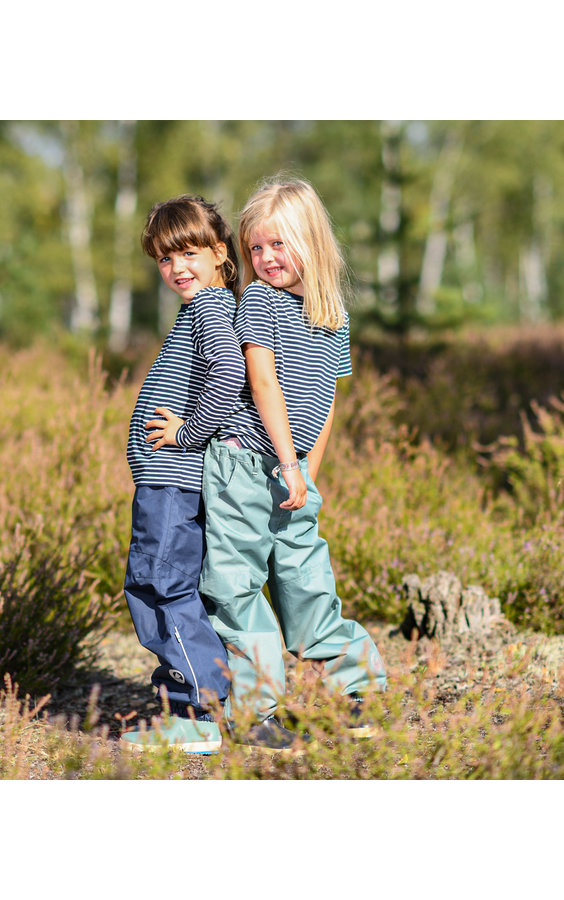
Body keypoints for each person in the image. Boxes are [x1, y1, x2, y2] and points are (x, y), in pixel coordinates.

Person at [198, 177, 387, 750]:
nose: (265, 258)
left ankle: (362, 688)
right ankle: (258, 710)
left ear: (312, 241)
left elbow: (327, 399)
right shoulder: (259, 300)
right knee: (238, 588)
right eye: (256, 248)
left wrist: (310, 468)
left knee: (307, 583)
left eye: (278, 244)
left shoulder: (334, 315)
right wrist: (289, 461)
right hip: (243, 468)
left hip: (292, 474)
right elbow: (262, 381)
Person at [121, 195, 245, 755]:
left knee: (158, 585)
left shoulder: (210, 309)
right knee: (166, 587)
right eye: (165, 260)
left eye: (189, 253)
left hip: (173, 481)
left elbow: (229, 370)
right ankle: (183, 706)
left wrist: (187, 432)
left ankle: (201, 714)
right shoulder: (202, 309)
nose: (177, 269)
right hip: (165, 481)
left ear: (220, 252)